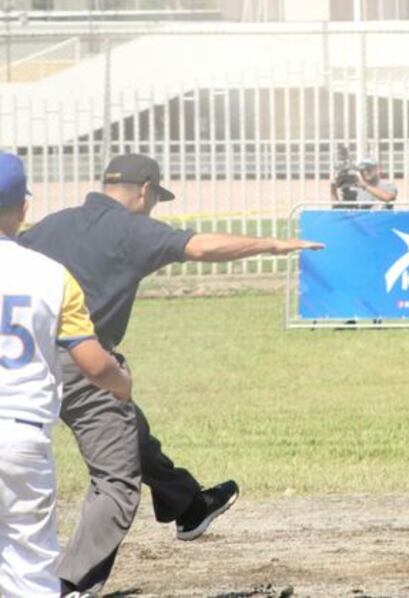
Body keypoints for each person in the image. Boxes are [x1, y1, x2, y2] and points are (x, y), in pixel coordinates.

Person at [19, 153, 326, 595]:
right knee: (116, 483)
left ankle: (188, 504)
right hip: (84, 363)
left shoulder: (51, 225)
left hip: (26, 359)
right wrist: (272, 245)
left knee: (129, 429)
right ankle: (67, 586)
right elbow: (202, 247)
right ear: (144, 191)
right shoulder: (132, 228)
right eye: (154, 197)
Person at [0, 152, 132, 597]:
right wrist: (121, 384)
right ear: (23, 209)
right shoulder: (50, 275)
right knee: (29, 564)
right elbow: (93, 363)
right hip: (20, 435)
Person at [330, 157, 397, 210]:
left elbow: (388, 198)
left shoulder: (387, 184)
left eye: (368, 169)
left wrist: (364, 186)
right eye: (362, 170)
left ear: (376, 169)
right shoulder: (355, 188)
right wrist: (333, 190)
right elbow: (339, 209)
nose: (365, 172)